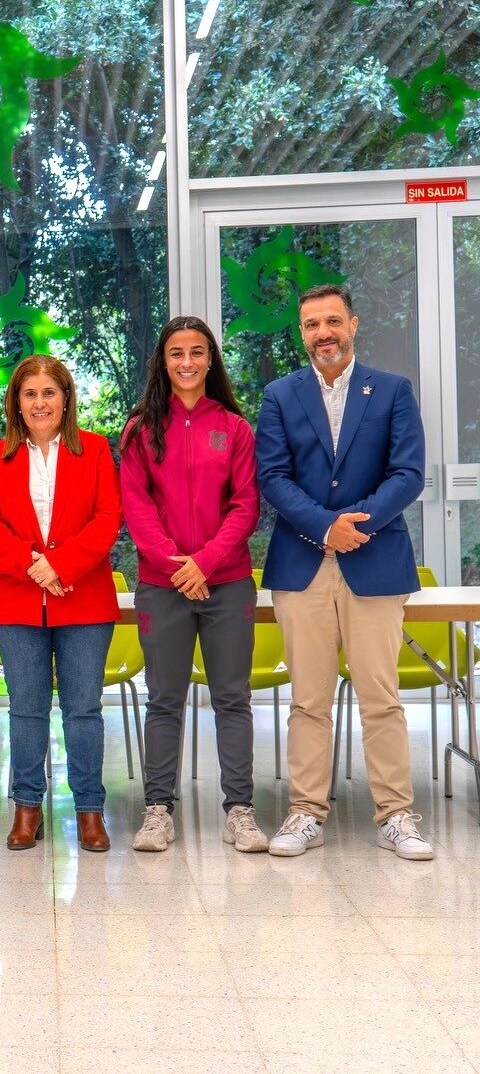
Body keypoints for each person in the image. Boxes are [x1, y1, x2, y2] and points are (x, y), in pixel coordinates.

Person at [257, 283, 432, 860]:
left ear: (353, 325)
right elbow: (273, 477)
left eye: (333, 321)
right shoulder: (281, 395)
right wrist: (323, 528)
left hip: (374, 560)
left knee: (379, 695)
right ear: (301, 332)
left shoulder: (391, 390)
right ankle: (306, 811)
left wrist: (356, 524)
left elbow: (407, 473)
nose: (323, 333)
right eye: (312, 325)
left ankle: (396, 814)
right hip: (302, 565)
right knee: (309, 698)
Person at [120, 317, 268, 854]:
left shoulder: (234, 428)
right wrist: (175, 564)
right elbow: (135, 507)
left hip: (226, 584)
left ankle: (240, 812)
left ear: (210, 360)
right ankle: (158, 811)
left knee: (233, 698)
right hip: (162, 587)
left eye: (197, 352)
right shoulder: (140, 430)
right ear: (163, 360)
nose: (187, 362)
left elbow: (246, 505)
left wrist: (203, 563)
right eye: (176, 352)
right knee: (164, 700)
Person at [0, 354, 121, 852]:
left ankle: (89, 811)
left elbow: (108, 518)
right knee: (27, 709)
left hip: (84, 599)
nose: (39, 402)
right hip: (17, 600)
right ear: (17, 401)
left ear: (65, 399)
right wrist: (33, 565)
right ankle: (27, 807)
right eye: (29, 393)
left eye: (49, 393)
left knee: (83, 709)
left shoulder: (97, 450)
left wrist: (61, 565)